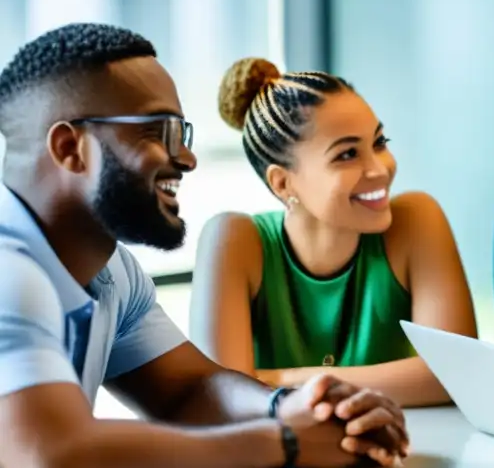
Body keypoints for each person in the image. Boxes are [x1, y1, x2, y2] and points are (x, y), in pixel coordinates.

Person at [0, 24, 407, 468]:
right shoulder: (7, 272)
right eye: (160, 132)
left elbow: (190, 389)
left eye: (183, 131)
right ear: (71, 148)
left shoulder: (112, 270)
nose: (187, 158)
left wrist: (293, 406)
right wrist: (287, 442)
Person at [190, 58, 476, 407]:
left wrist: (280, 380)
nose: (380, 168)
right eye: (347, 154)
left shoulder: (417, 220)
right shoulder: (233, 239)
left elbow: (457, 376)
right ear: (283, 182)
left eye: (379, 142)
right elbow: (220, 395)